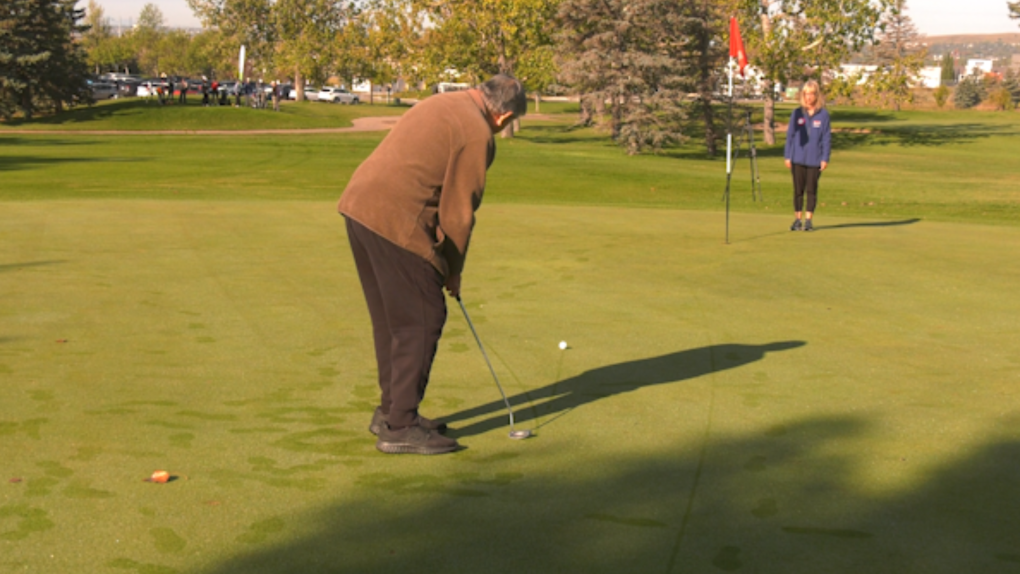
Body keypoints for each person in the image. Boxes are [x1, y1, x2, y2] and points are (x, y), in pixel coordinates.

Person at [337, 74, 527, 455]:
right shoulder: (478, 132)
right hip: (394, 219)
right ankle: (400, 426)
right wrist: (452, 269)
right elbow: (458, 213)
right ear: (504, 117)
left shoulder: (443, 102)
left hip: (359, 208)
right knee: (422, 318)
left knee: (394, 321)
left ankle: (393, 411)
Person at [784, 79, 832, 232]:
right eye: (806, 94)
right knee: (798, 190)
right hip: (797, 157)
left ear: (816, 95)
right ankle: (797, 219)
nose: (808, 97)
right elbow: (790, 135)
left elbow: (826, 138)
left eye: (811, 94)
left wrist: (825, 158)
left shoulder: (823, 115)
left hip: (814, 159)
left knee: (811, 190)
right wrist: (787, 156)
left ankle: (808, 221)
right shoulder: (797, 113)